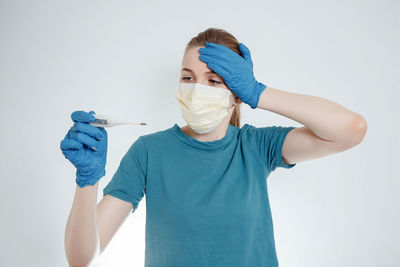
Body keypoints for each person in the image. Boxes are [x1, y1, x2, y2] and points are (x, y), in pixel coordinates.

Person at [60, 27, 367, 267]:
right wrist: (87, 181)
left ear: (236, 93)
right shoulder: (148, 152)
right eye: (188, 77)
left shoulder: (257, 146)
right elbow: (81, 259)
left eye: (215, 81)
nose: (197, 90)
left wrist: (259, 93)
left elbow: (350, 131)